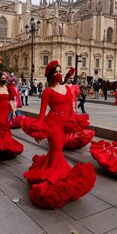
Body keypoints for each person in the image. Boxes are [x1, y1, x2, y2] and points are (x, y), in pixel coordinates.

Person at [20, 60, 96, 209]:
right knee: (56, 152)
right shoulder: (47, 91)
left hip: (64, 125)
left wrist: (74, 123)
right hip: (53, 125)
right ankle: (55, 179)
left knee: (57, 152)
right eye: (56, 72)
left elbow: (71, 108)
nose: (59, 74)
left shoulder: (67, 88)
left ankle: (47, 172)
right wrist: (39, 131)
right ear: (50, 75)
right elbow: (42, 114)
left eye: (60, 71)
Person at [63, 68, 95, 150]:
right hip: (66, 106)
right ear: (66, 78)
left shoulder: (74, 87)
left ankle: (74, 138)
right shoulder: (63, 87)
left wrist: (76, 106)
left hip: (73, 105)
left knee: (74, 123)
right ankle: (66, 139)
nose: (72, 80)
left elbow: (75, 96)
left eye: (73, 78)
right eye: (70, 78)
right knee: (67, 122)